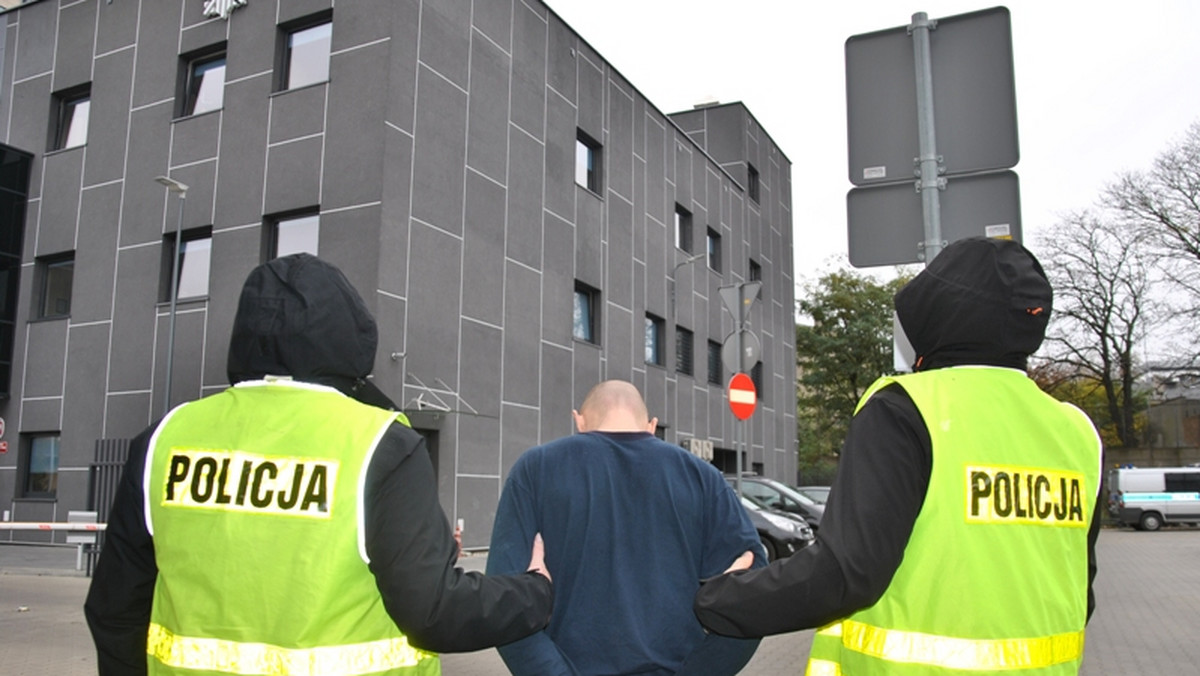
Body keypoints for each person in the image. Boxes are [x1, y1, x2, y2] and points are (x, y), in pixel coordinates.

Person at [84, 253, 553, 675]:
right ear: (349, 337)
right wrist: (535, 591)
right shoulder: (381, 444)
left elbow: (113, 610)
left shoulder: (164, 440)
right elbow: (434, 614)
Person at [695, 236, 1104, 675]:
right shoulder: (1076, 430)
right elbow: (1080, 589)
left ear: (932, 312)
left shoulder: (906, 408)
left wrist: (715, 599)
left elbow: (844, 575)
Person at [487, 380, 763, 676]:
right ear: (651, 426)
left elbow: (501, 603)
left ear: (579, 421)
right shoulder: (702, 477)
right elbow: (755, 601)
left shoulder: (535, 469)